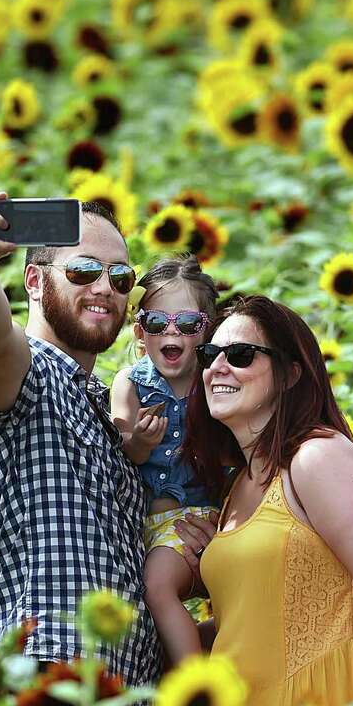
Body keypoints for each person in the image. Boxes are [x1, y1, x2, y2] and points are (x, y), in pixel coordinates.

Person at [0, 192, 218, 688]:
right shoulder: (27, 372)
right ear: (34, 280)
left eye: (120, 278)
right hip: (53, 677)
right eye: (83, 271)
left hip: (132, 694)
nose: (104, 288)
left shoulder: (113, 404)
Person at [176, 294, 353, 706]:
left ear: (290, 374)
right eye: (210, 354)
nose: (217, 367)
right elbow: (259, 620)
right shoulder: (238, 488)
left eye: (241, 354)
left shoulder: (317, 456)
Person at [109, 255, 222, 666]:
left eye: (188, 324)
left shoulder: (215, 379)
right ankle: (188, 673)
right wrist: (139, 441)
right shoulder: (131, 382)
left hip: (207, 516)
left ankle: (204, 671)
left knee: (173, 589)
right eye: (158, 323)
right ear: (141, 332)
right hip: (150, 526)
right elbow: (123, 446)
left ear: (206, 330)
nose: (171, 332)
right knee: (155, 596)